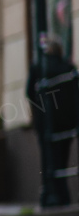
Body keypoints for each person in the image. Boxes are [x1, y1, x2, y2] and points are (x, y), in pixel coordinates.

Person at [27, 36, 79, 206]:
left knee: (49, 158)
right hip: (67, 122)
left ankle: (52, 194)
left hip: (47, 123)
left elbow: (29, 92)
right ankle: (63, 196)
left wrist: (38, 109)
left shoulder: (39, 68)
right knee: (62, 158)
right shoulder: (68, 68)